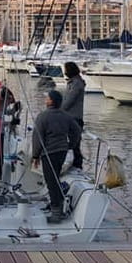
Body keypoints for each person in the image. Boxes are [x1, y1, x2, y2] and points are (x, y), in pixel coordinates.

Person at [31, 89, 81, 223]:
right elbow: (77, 131)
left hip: (49, 153)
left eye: (47, 98)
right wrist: (71, 145)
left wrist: (35, 155)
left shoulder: (43, 117)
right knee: (55, 178)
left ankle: (56, 214)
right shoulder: (66, 116)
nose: (45, 100)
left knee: (51, 182)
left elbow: (37, 137)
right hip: (62, 152)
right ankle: (59, 205)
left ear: (51, 101)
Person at [61, 62, 85, 168]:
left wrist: (59, 109)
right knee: (71, 141)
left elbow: (70, 99)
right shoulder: (72, 82)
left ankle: (77, 164)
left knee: (75, 142)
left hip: (74, 118)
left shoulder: (77, 84)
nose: (65, 72)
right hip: (69, 117)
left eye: (66, 70)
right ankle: (72, 161)